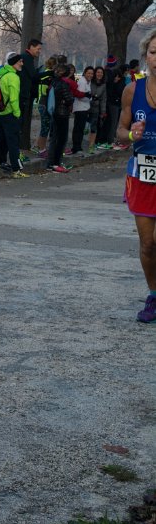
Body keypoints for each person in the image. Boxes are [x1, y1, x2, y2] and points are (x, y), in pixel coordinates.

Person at [116, 28, 156, 323]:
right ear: (146, 56)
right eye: (154, 52)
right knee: (148, 244)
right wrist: (131, 134)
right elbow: (120, 131)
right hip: (143, 173)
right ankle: (153, 295)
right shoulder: (133, 90)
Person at [45, 64, 75, 172]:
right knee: (61, 140)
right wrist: (69, 99)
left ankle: (50, 163)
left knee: (54, 139)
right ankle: (56, 163)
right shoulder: (63, 84)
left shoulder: (53, 82)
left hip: (54, 113)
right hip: (62, 114)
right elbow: (69, 99)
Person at [19, 38, 43, 154]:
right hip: (23, 95)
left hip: (25, 95)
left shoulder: (27, 58)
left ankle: (19, 151)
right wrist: (47, 73)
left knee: (21, 124)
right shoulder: (27, 57)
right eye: (38, 49)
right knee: (20, 125)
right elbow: (33, 76)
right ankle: (18, 152)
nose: (39, 51)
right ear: (32, 47)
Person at [70, 65, 94, 154]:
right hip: (80, 108)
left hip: (84, 107)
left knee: (81, 128)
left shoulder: (88, 82)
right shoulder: (82, 82)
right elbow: (79, 95)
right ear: (85, 73)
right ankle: (76, 147)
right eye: (88, 73)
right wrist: (89, 97)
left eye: (92, 74)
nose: (90, 75)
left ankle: (78, 146)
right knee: (78, 128)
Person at [87, 65, 107, 153]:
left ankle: (91, 145)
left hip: (96, 107)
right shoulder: (90, 82)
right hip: (86, 106)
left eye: (101, 72)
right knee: (84, 126)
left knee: (94, 127)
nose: (99, 74)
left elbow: (103, 99)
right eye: (98, 72)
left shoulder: (103, 85)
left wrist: (103, 111)